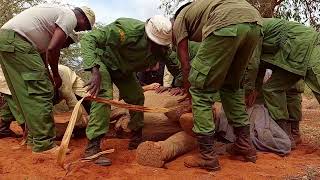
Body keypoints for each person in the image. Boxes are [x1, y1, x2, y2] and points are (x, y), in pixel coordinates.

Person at [172, 0, 263, 171]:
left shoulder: (178, 20)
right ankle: (245, 145)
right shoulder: (201, 9)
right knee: (231, 87)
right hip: (255, 24)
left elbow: (185, 64)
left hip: (226, 22)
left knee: (200, 89)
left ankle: (207, 156)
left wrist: (189, 91)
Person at [80, 15, 181, 166]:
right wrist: (94, 70)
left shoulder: (163, 49)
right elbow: (89, 39)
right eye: (154, 42)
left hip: (124, 71)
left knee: (137, 97)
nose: (157, 47)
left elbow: (178, 69)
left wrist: (182, 85)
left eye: (161, 44)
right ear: (147, 34)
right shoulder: (126, 30)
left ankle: (136, 136)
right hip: (104, 63)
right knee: (104, 97)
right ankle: (92, 148)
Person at [0, 4, 95, 154]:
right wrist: (56, 76)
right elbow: (52, 49)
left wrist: (49, 76)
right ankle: (44, 145)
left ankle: (34, 140)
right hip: (17, 42)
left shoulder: (42, 33)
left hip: (6, 40)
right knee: (42, 93)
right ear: (82, 17)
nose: (82, 30)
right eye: (86, 26)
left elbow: (43, 56)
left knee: (27, 93)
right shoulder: (69, 16)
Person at [245, 18, 319, 149]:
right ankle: (286, 136)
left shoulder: (251, 28)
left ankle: (291, 134)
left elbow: (253, 62)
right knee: (272, 88)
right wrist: (255, 88)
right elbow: (260, 65)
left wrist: (248, 89)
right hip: (293, 57)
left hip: (307, 48)